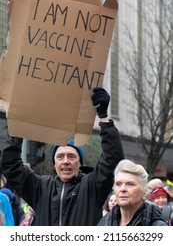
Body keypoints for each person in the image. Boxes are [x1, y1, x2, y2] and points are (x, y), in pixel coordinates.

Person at [0, 87, 124, 226]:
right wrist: (18, 127)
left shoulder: (92, 187)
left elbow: (113, 159)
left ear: (79, 163)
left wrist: (104, 118)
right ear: (54, 164)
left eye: (71, 156)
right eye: (60, 157)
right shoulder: (40, 187)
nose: (65, 161)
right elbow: (10, 165)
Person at [98, 159, 168, 226]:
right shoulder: (104, 223)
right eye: (118, 184)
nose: (122, 189)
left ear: (144, 192)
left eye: (130, 184)